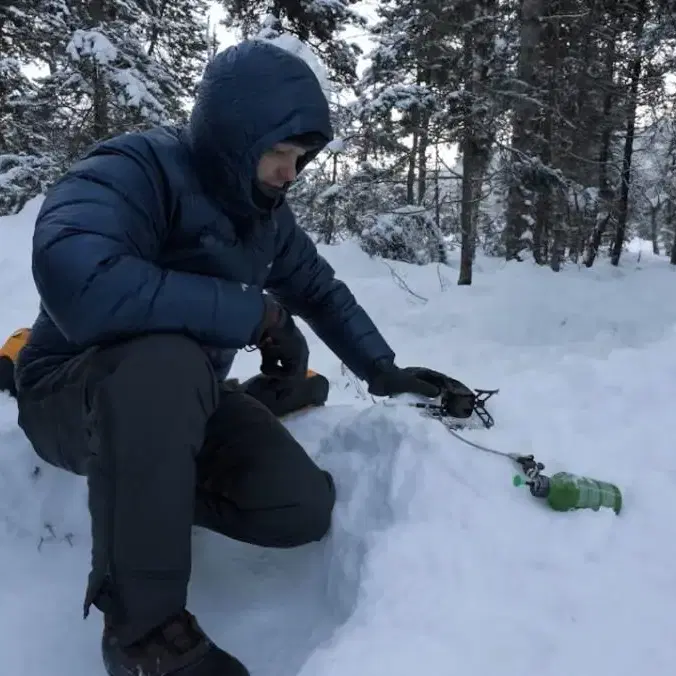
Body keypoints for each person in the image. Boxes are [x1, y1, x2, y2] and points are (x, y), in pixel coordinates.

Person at [14, 40, 446, 676]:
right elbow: (81, 281)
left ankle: (142, 489)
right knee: (165, 360)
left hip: (179, 404)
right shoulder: (134, 168)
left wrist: (383, 370)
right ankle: (145, 635)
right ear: (232, 135)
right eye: (278, 152)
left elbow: (321, 292)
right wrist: (257, 313)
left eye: (300, 158)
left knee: (297, 507)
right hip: (72, 391)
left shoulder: (265, 216)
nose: (290, 172)